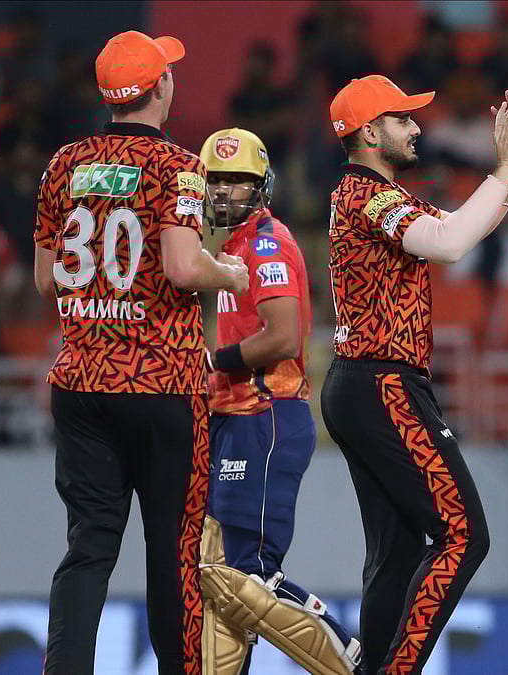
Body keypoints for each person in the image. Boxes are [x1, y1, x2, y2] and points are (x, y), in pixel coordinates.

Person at [34, 31, 248, 674]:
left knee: (88, 548)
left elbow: (47, 280)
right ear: (161, 87)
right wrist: (230, 275)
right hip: (163, 385)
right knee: (174, 554)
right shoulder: (180, 166)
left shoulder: (61, 165)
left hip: (80, 381)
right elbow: (184, 268)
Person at [320, 74, 508, 675]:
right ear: (369, 131)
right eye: (403, 119)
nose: (416, 128)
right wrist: (506, 165)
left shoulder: (368, 196)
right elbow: (450, 241)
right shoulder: (368, 194)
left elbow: (462, 226)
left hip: (360, 383)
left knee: (399, 552)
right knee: (465, 535)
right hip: (383, 382)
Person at [195, 128, 359, 673]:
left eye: (237, 181)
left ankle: (355, 662)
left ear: (261, 186)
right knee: (221, 577)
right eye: (216, 181)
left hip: (263, 416)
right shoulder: (234, 246)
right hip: (238, 417)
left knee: (247, 576)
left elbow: (284, 337)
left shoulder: (266, 242)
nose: (224, 192)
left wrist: (213, 363)